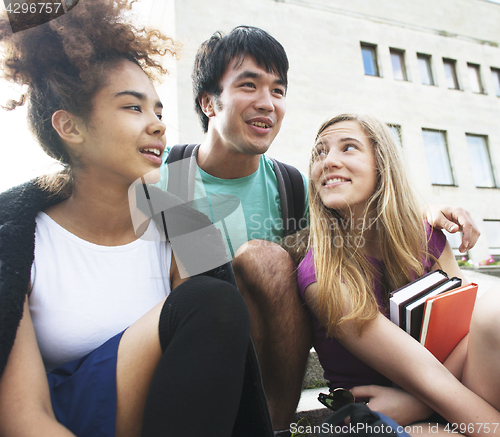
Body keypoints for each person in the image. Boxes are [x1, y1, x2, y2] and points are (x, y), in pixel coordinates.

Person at [156, 26, 482, 435]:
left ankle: (272, 427)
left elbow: (366, 210)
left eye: (278, 90)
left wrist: (429, 213)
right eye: (249, 85)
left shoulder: (296, 187)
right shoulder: (162, 176)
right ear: (208, 102)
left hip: (270, 372)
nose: (267, 102)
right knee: (220, 264)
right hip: (185, 350)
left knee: (265, 258)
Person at [0, 2, 273, 436]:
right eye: (133, 108)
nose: (158, 126)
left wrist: (183, 213)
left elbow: (217, 331)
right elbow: (24, 417)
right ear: (70, 127)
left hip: (159, 419)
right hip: (62, 421)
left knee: (214, 300)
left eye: (159, 112)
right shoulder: (15, 241)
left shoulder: (180, 218)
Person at [296, 113, 500, 434]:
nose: (328, 161)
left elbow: (466, 335)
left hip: (439, 393)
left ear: (383, 165)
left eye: (348, 147)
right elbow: (428, 379)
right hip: (380, 419)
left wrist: (415, 404)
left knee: (494, 310)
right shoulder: (323, 275)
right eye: (319, 152)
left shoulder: (429, 237)